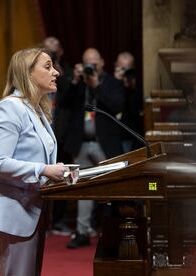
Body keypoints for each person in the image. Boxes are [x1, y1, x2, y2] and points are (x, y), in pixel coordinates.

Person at [0, 47, 66, 276]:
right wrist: (44, 170)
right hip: (13, 212)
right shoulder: (10, 107)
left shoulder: (36, 110)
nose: (56, 72)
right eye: (47, 66)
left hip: (32, 209)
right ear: (27, 73)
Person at [59, 48, 125, 248]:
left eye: (94, 63)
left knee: (112, 187)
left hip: (105, 143)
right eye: (88, 63)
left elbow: (117, 106)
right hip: (81, 144)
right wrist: (74, 80)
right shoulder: (79, 84)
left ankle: (112, 231)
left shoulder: (112, 83)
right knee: (82, 188)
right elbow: (64, 103)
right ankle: (82, 231)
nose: (91, 67)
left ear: (102, 63)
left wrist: (96, 86)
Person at [43, 36, 74, 236]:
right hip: (42, 136)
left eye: (53, 52)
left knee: (62, 177)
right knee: (42, 179)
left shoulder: (63, 72)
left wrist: (60, 68)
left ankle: (59, 220)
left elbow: (69, 94)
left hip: (60, 135)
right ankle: (43, 222)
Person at [113, 51, 144, 152]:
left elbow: (137, 112)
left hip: (131, 136)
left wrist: (131, 87)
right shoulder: (109, 82)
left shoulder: (138, 84)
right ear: (116, 66)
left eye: (128, 68)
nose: (125, 71)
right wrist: (117, 82)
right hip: (112, 136)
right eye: (122, 68)